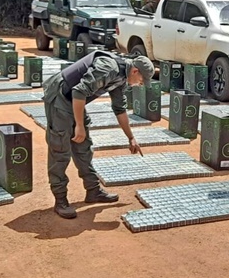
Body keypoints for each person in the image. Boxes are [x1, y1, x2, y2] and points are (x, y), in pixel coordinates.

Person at [42, 50, 155, 219]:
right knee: (60, 150)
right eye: (141, 80)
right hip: (60, 96)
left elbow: (119, 109)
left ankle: (93, 191)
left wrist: (131, 137)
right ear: (135, 71)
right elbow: (79, 91)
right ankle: (60, 200)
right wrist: (79, 125)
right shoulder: (108, 68)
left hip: (74, 99)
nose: (140, 84)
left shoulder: (122, 78)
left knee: (83, 147)